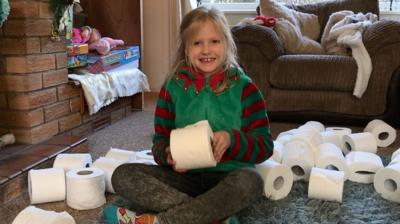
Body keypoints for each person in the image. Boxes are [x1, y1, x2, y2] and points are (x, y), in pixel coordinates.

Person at [105, 6, 273, 224]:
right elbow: (158, 144)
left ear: (226, 44)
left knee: (252, 182)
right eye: (197, 43)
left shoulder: (245, 89)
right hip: (184, 179)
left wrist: (233, 139)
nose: (206, 50)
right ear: (186, 48)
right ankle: (210, 216)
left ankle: (165, 221)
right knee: (123, 175)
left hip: (228, 177)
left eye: (214, 41)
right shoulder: (172, 89)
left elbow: (265, 146)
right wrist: (168, 154)